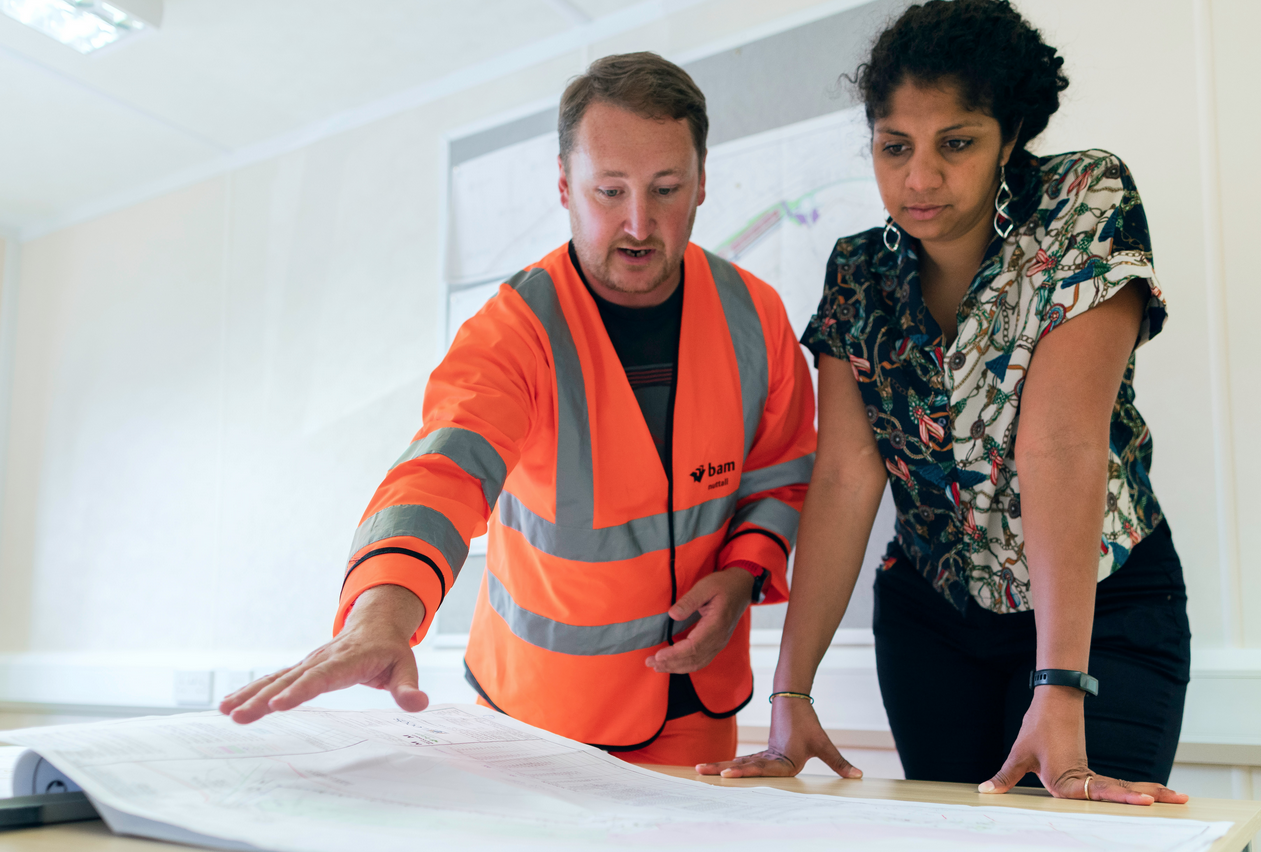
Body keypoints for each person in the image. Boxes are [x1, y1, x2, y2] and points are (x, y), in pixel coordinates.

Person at [221, 53, 820, 769]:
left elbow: (779, 475)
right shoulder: (513, 330)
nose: (638, 222)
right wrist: (380, 617)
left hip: (696, 705)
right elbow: (443, 472)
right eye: (609, 191)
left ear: (701, 186)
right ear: (565, 186)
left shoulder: (755, 315)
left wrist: (743, 572)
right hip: (539, 718)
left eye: (666, 189)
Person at [699, 0, 1192, 805]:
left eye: (955, 143)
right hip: (932, 623)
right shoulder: (858, 273)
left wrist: (1059, 684)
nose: (919, 178)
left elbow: (1059, 445)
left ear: (1010, 136)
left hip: (1099, 612)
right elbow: (845, 478)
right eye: (895, 148)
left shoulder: (1082, 202)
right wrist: (790, 695)